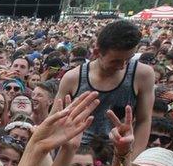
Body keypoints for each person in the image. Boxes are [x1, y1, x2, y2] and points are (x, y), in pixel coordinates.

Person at [56, 20, 154, 156]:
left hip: (117, 154)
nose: (122, 66)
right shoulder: (73, 78)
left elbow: (144, 120)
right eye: (116, 61)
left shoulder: (142, 75)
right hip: (76, 156)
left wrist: (132, 161)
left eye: (128, 59)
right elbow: (55, 121)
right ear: (97, 52)